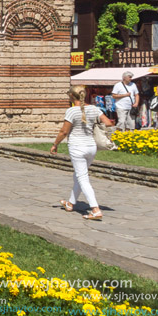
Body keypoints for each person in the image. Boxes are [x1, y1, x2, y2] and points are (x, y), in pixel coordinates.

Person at [51, 85, 115, 221]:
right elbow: (108, 123)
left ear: (71, 97)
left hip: (77, 147)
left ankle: (95, 209)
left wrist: (55, 144)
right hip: (91, 146)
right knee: (79, 176)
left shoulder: (72, 111)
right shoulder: (94, 109)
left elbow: (64, 131)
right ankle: (70, 203)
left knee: (83, 178)